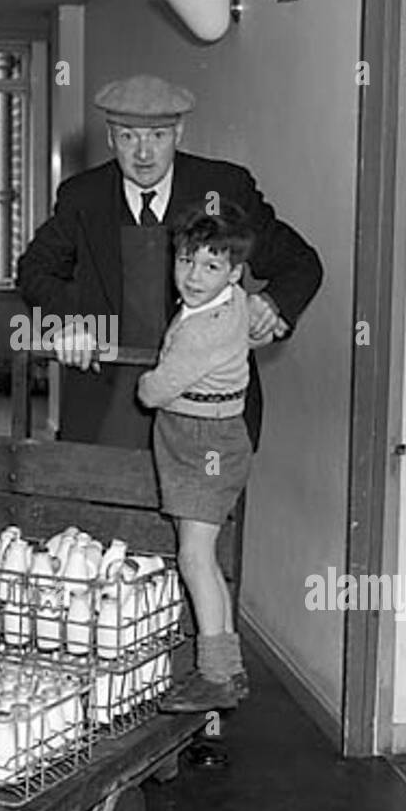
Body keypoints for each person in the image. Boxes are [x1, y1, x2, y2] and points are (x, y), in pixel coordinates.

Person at [16, 75, 322, 452]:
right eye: (128, 137)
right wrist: (67, 323)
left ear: (179, 133)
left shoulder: (222, 189)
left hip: (203, 407)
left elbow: (301, 262)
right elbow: (34, 270)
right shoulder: (84, 196)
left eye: (157, 136)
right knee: (104, 505)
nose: (143, 154)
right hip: (107, 397)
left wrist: (271, 304)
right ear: (111, 138)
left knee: (197, 509)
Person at [136, 210, 255, 711]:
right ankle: (228, 669)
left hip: (205, 443)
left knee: (194, 557)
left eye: (211, 266)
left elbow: (154, 390)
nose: (193, 275)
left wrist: (146, 382)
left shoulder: (201, 332)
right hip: (206, 434)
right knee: (202, 556)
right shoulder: (236, 301)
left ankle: (214, 675)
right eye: (187, 260)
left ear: (233, 273)